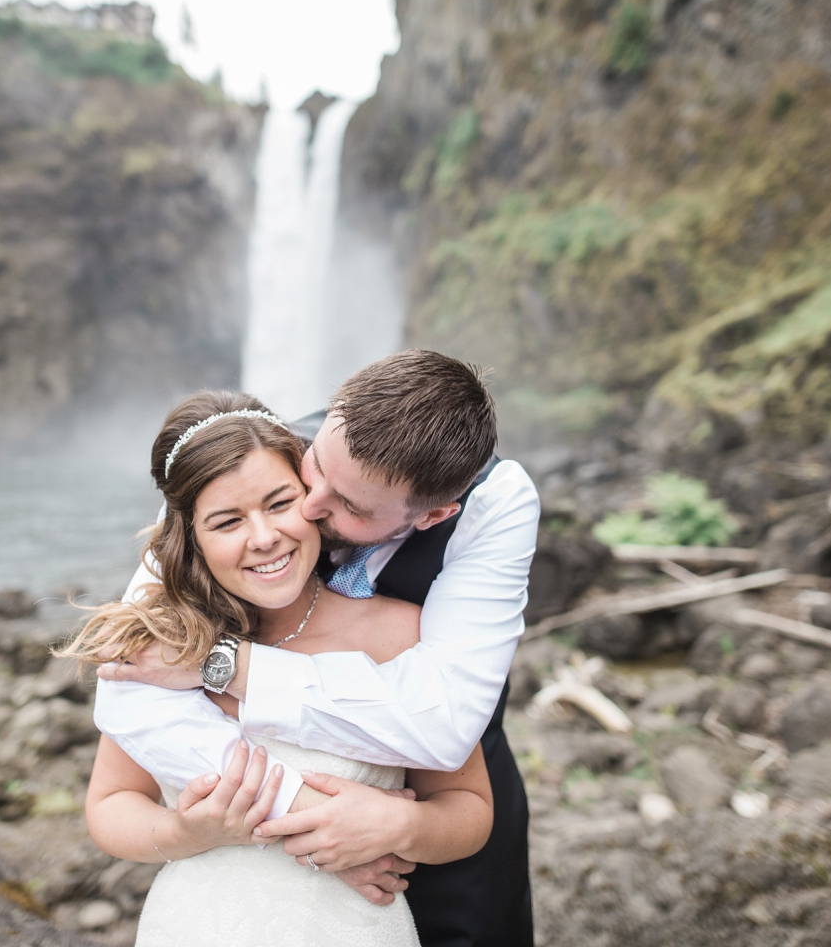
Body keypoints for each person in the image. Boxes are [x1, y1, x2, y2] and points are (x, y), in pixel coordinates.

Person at [95, 350, 540, 946]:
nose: (305, 506)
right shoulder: (242, 464)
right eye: (313, 469)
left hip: (404, 857)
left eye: (348, 505)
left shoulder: (488, 516)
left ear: (434, 514)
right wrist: (262, 820)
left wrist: (395, 823)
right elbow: (131, 687)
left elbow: (448, 727)